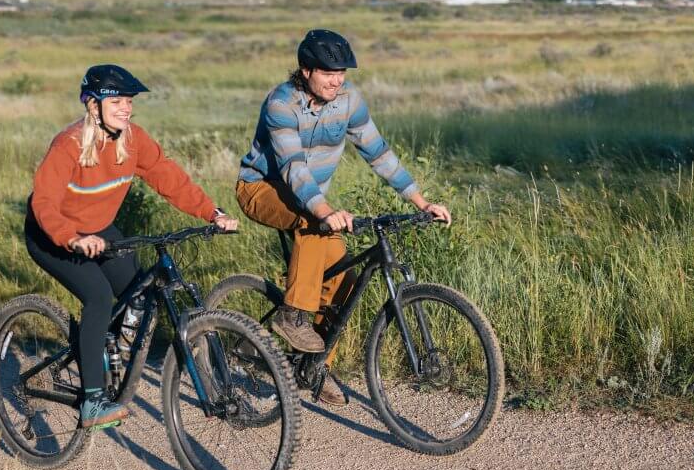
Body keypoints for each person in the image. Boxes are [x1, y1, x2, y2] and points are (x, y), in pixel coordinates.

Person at [236, 29, 451, 406]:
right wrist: (324, 211)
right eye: (327, 72)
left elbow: (378, 152)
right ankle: (293, 317)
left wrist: (420, 201)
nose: (336, 80)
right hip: (262, 189)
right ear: (305, 71)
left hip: (311, 200)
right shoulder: (281, 104)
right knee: (312, 224)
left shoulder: (349, 101)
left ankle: (315, 367)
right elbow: (293, 168)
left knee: (345, 283)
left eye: (342, 72)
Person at [26, 64, 237, 429]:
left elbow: (168, 177)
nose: (127, 108)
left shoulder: (133, 139)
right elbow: (43, 203)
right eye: (118, 101)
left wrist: (211, 212)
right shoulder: (69, 145)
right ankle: (92, 400)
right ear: (93, 106)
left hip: (101, 230)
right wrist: (72, 238)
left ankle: (103, 352)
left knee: (137, 293)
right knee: (98, 298)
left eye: (129, 101)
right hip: (53, 236)